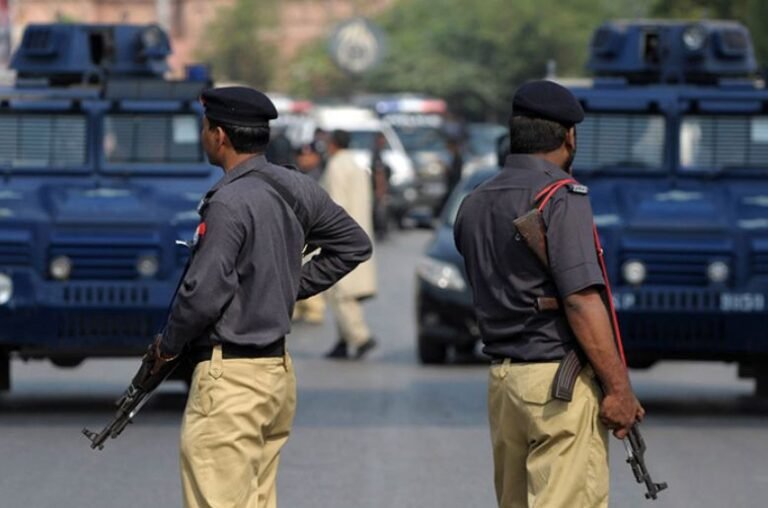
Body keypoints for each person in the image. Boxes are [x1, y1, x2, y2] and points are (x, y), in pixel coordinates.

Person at [150, 86, 372, 508]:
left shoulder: (228, 202)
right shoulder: (294, 186)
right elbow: (354, 243)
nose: (204, 135)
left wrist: (167, 348)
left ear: (219, 136)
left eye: (205, 127)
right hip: (275, 375)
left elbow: (201, 295)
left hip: (230, 381)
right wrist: (288, 285)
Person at [453, 80, 644, 508]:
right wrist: (619, 389)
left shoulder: (474, 201)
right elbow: (580, 298)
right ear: (569, 136)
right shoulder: (560, 195)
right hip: (557, 384)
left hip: (504, 382)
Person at [321, 129, 378, 359]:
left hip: (341, 237)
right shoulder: (356, 165)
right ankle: (343, 341)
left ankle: (360, 338)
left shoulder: (336, 166)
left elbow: (335, 205)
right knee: (345, 292)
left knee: (341, 293)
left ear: (333, 144)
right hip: (359, 234)